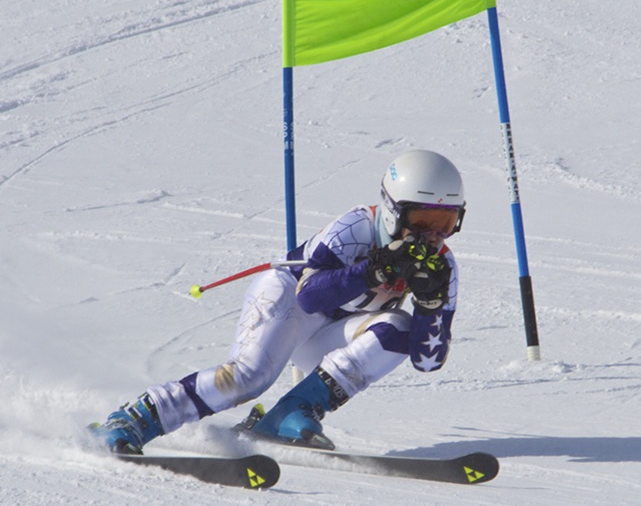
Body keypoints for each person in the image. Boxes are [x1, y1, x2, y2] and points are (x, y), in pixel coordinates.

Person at [92, 149, 466, 453]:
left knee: (398, 328)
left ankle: (289, 413)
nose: (433, 236)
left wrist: (430, 307)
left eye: (447, 223)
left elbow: (427, 361)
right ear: (391, 210)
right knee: (248, 378)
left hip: (330, 332)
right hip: (287, 301)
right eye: (421, 221)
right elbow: (310, 295)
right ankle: (137, 417)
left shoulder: (443, 267)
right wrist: (375, 271)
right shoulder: (357, 227)